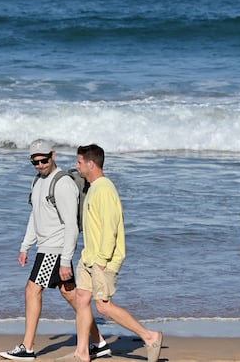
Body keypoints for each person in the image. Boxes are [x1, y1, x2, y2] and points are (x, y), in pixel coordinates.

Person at [0, 146, 109, 361]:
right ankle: (100, 342)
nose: (40, 165)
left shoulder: (64, 183)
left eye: (43, 160)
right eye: (35, 162)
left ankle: (27, 348)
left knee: (32, 290)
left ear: (53, 156)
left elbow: (70, 225)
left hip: (56, 248)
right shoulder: (37, 181)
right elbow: (35, 215)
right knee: (70, 294)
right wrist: (25, 246)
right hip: (45, 246)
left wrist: (66, 260)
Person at [67, 144, 163, 362]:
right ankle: (82, 353)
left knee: (104, 306)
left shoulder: (105, 189)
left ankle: (150, 337)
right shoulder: (93, 188)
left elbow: (110, 229)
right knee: (82, 299)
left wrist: (101, 261)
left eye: (79, 162)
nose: (76, 166)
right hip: (89, 257)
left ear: (91, 164)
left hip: (103, 260)